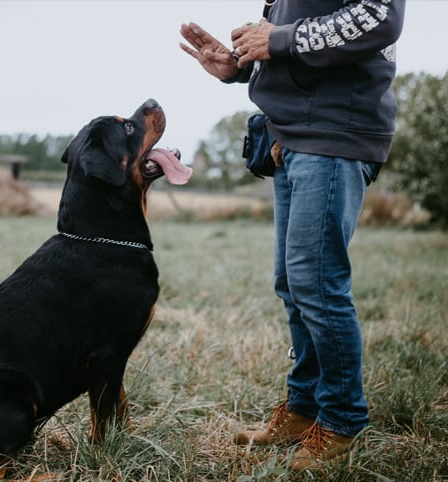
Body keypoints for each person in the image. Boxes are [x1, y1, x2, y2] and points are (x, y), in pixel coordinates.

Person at [180, 0, 406, 472]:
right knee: (293, 283)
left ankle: (343, 419)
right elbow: (303, 46)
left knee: (317, 284)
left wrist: (277, 39)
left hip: (334, 134)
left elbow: (379, 17)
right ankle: (304, 407)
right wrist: (240, 67)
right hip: (293, 135)